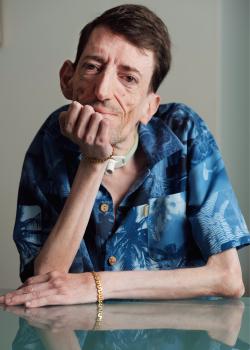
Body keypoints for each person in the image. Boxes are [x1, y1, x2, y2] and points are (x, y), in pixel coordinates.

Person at [1, 4, 250, 308]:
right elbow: (46, 284)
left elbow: (228, 279)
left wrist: (97, 285)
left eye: (129, 78)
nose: (103, 90)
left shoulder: (184, 131)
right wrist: (93, 163)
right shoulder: (50, 143)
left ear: (149, 106)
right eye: (92, 66)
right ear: (68, 78)